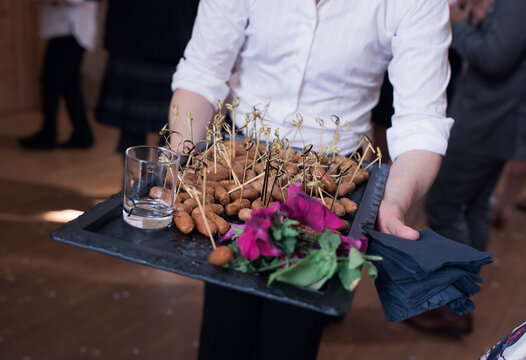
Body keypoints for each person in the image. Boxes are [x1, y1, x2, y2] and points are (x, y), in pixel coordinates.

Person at [169, 1, 454, 359]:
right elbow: (202, 72)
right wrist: (180, 157)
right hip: (237, 168)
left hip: (333, 181)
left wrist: (394, 203)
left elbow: (421, 120)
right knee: (226, 317)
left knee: (292, 329)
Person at [415, 0, 526, 335]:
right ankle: (460, 302)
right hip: (495, 124)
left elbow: (493, 60)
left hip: (484, 124)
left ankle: (452, 308)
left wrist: (458, 23)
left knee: (444, 206)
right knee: (472, 207)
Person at [95, 0, 200, 157]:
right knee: (137, 132)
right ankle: (137, 179)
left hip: (166, 42)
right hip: (141, 41)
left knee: (171, 133)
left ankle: (156, 179)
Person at [19, 0, 99, 150]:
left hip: (71, 29)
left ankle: (49, 135)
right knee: (69, 86)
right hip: (66, 29)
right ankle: (82, 135)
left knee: (52, 84)